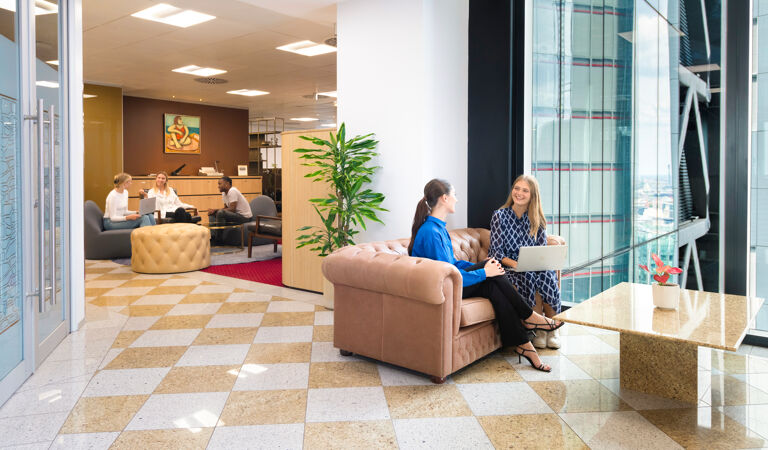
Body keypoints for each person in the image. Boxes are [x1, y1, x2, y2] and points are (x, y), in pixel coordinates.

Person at [409, 179, 563, 372]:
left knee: (493, 281)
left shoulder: (438, 227)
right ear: (444, 198)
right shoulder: (431, 232)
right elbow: (447, 277)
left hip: (451, 282)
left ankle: (525, 345)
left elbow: (453, 265)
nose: (457, 199)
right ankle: (530, 317)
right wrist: (483, 272)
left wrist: (481, 267)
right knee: (491, 273)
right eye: (454, 195)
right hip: (444, 289)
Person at [489, 174, 563, 349]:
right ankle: (540, 328)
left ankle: (553, 330)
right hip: (509, 268)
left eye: (525, 190)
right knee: (528, 275)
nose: (519, 193)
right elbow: (495, 253)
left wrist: (534, 264)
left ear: (532, 195)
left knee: (546, 274)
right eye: (516, 188)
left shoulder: (537, 219)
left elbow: (541, 251)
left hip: (533, 265)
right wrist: (517, 264)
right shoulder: (499, 216)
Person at [208, 176, 253, 244]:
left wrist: (216, 210)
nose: (218, 186)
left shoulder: (232, 191)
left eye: (220, 184)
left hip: (244, 217)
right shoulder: (224, 193)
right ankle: (213, 237)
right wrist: (214, 211)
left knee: (220, 212)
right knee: (212, 214)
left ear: (227, 184)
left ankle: (219, 239)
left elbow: (232, 209)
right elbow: (226, 208)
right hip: (235, 215)